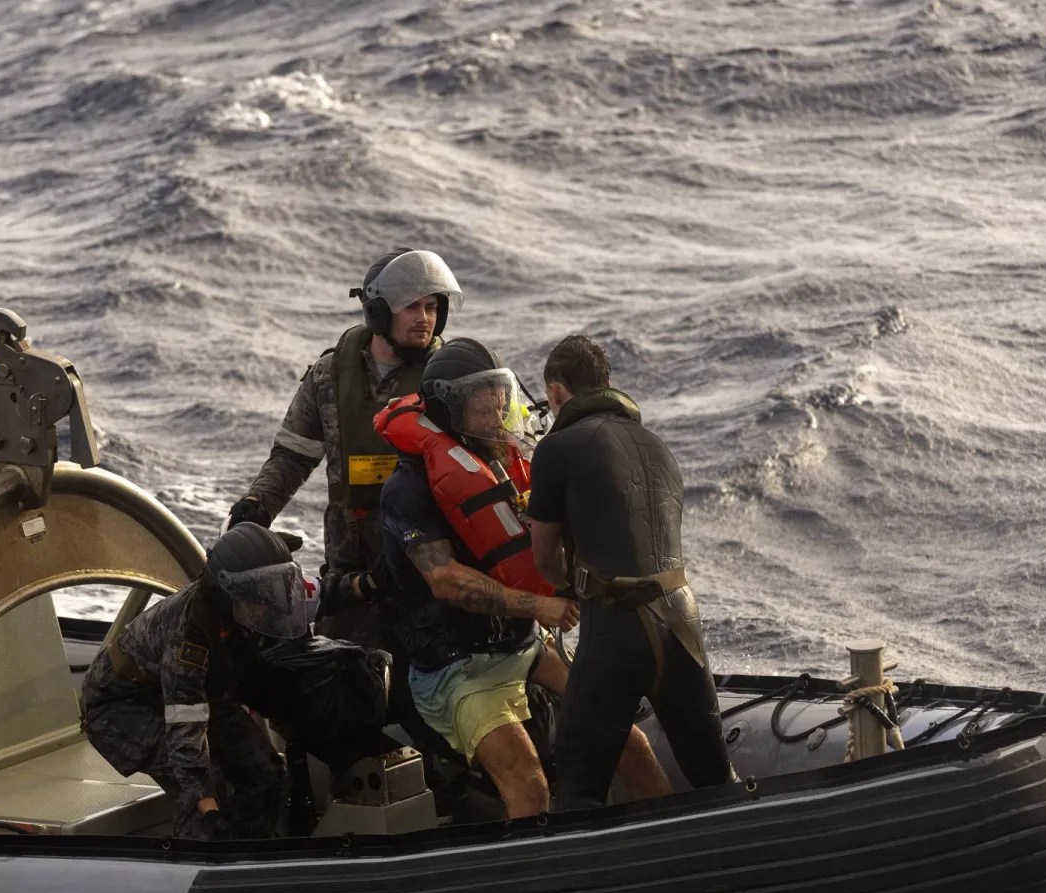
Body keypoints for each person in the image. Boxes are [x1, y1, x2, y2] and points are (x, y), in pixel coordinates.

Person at [375, 338, 669, 818]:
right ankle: (542, 883)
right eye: (480, 404)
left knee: (629, 740)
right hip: (454, 667)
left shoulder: (507, 465)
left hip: (523, 646)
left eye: (500, 397)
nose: (497, 413)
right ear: (449, 410)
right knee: (529, 784)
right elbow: (445, 580)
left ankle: (665, 846)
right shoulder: (407, 490)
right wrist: (540, 606)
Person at [528, 335, 734, 812]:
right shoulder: (658, 447)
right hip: (683, 619)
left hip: (617, 626)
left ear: (556, 393)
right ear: (608, 383)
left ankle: (589, 885)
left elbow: (543, 556)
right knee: (714, 776)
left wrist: (566, 590)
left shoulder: (558, 447)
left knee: (578, 787)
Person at [81, 522, 389, 840]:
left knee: (267, 777)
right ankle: (201, 865)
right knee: (203, 795)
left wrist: (362, 585)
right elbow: (185, 732)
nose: (271, 600)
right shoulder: (189, 638)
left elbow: (314, 595)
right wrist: (209, 808)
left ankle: (256, 853)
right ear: (227, 591)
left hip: (202, 691)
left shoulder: (256, 601)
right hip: (125, 706)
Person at [227, 248, 461, 647]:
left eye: (432, 306)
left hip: (426, 570)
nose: (425, 319)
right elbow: (292, 456)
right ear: (378, 311)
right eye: (412, 307)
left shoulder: (453, 380)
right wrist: (256, 506)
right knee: (342, 688)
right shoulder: (329, 374)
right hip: (350, 577)